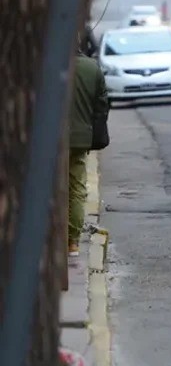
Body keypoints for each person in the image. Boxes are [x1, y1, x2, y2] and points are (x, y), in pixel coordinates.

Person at [67, 49, 109, 255]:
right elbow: (101, 105)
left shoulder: (41, 64)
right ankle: (72, 242)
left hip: (47, 140)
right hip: (79, 139)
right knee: (76, 189)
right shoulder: (91, 67)